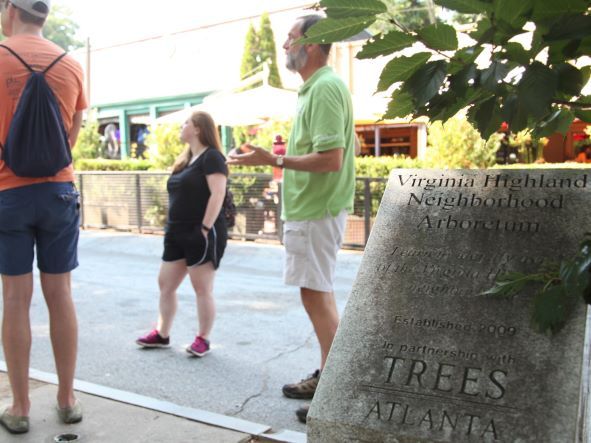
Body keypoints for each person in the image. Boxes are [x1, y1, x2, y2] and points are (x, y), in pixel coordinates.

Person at [228, 14, 356, 423]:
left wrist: (274, 158)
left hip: (317, 209)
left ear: (314, 43)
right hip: (313, 209)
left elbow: (332, 158)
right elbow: (337, 148)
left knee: (315, 295)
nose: (285, 44)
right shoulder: (316, 89)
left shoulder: (325, 88)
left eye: (291, 37)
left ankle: (335, 391)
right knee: (319, 293)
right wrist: (268, 158)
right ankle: (328, 376)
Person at [0, 0, 87, 434]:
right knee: (61, 294)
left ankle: (18, 406)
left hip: (8, 194)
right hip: (59, 191)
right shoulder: (70, 63)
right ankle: (67, 398)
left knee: (16, 299)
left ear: (10, 9)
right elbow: (73, 131)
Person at [136, 111, 228, 359]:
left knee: (202, 288)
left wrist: (205, 229)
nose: (181, 126)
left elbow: (217, 194)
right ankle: (162, 334)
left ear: (198, 128)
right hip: (176, 231)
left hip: (200, 231)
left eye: (185, 123)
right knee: (166, 284)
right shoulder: (186, 159)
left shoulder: (213, 158)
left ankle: (203, 338)